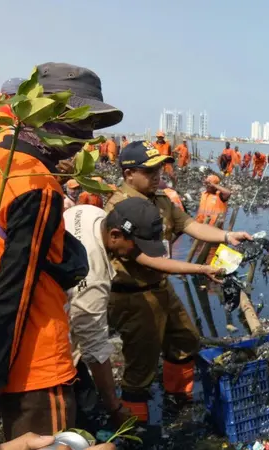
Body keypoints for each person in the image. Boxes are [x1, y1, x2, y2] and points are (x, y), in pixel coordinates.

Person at [0, 62, 123, 444]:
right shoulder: (37, 185)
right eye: (79, 123)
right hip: (35, 365)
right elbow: (12, 289)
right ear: (46, 117)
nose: (88, 138)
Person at [106, 141, 251, 422]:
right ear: (128, 175)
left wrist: (226, 236)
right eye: (149, 170)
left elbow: (188, 224)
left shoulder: (160, 200)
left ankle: (178, 398)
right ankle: (134, 427)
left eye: (159, 167)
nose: (157, 174)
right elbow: (144, 259)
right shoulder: (120, 210)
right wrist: (199, 268)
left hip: (161, 285)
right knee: (141, 361)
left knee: (185, 338)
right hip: (133, 293)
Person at [64, 198, 168, 428]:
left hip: (55, 303)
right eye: (137, 246)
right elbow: (94, 349)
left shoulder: (89, 213)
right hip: (50, 345)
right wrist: (115, 406)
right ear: (114, 236)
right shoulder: (92, 277)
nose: (139, 254)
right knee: (84, 411)